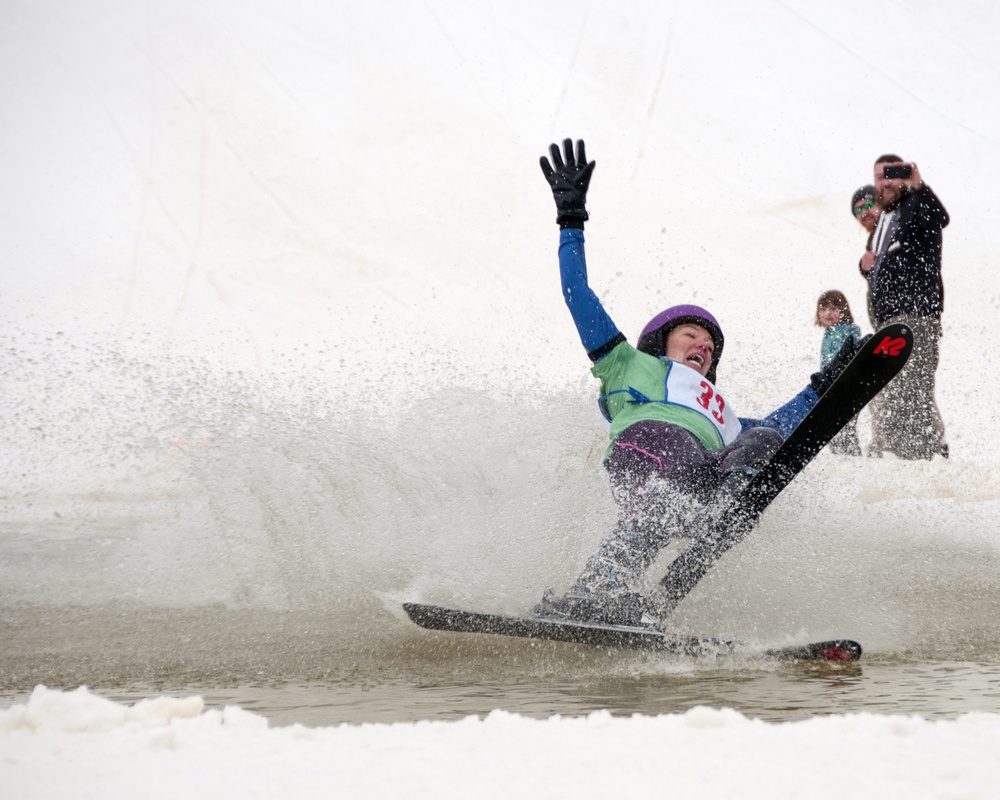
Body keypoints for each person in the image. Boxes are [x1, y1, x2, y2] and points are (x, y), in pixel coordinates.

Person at [535, 139, 860, 627]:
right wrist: (570, 221)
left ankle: (719, 513)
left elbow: (785, 424)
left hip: (703, 480)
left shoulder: (718, 409)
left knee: (765, 437)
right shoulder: (627, 363)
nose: (704, 347)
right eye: (692, 335)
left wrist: (826, 384)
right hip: (645, 452)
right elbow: (576, 294)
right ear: (662, 342)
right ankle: (598, 587)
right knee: (677, 465)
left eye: (710, 345)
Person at [862, 155, 949, 460]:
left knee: (906, 392)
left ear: (906, 177)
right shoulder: (888, 216)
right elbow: (894, 264)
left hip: (914, 317)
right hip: (892, 320)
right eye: (880, 177)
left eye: (892, 175)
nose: (885, 182)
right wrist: (867, 267)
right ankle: (924, 454)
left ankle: (912, 459)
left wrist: (919, 186)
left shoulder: (915, 205)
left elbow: (939, 217)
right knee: (895, 389)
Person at [816, 290, 862, 456]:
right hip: (832, 387)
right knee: (834, 429)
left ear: (844, 311)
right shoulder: (829, 332)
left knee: (844, 427)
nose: (828, 313)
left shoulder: (848, 331)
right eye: (824, 309)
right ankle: (843, 457)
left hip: (846, 387)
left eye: (834, 308)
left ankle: (850, 458)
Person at [852, 185, 880, 329]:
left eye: (868, 205)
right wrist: (864, 268)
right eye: (858, 210)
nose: (864, 212)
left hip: (905, 316)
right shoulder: (873, 241)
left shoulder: (893, 228)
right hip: (882, 322)